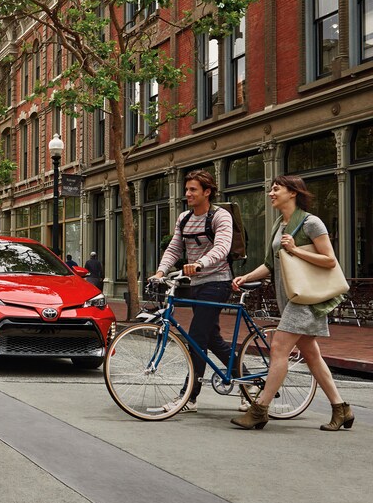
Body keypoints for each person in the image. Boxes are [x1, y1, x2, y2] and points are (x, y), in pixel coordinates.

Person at [230, 176, 354, 431]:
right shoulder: (279, 224)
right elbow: (270, 264)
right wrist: (246, 277)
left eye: (276, 189)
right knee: (311, 354)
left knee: (278, 348)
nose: (271, 193)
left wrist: (296, 250)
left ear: (293, 193)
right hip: (290, 298)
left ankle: (259, 409)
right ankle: (341, 408)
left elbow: (330, 260)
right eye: (271, 189)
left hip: (307, 300)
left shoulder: (311, 222)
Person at [150, 169, 234, 413]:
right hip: (195, 284)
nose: (187, 193)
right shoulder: (184, 218)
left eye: (193, 189)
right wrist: (160, 272)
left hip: (217, 282)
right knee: (211, 338)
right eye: (186, 189)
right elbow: (175, 248)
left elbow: (222, 247)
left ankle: (189, 397)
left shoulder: (221, 216)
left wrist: (200, 264)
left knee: (197, 337)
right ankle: (249, 382)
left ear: (207, 192)